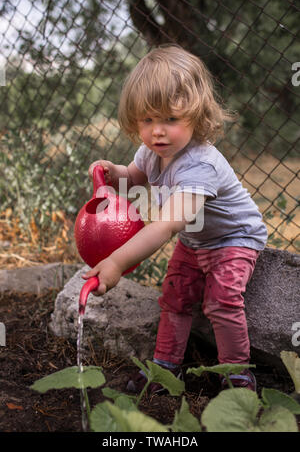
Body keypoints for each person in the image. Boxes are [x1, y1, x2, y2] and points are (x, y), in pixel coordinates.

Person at [83, 45, 268, 393]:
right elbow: (135, 177)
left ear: (196, 116)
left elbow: (167, 225)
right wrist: (114, 174)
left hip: (233, 239)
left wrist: (117, 261)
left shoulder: (200, 165)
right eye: (148, 120)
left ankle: (237, 375)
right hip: (195, 239)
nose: (158, 131)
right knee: (174, 297)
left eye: (171, 119)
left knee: (221, 300)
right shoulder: (153, 152)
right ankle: (165, 369)